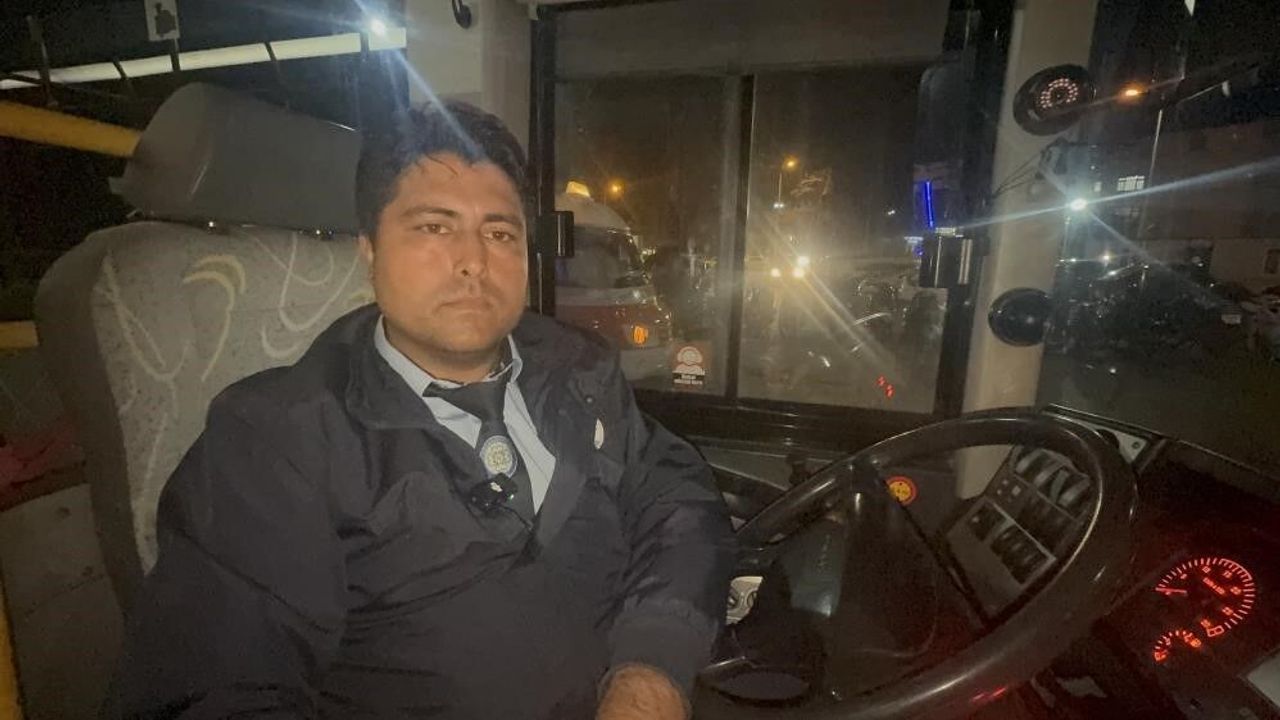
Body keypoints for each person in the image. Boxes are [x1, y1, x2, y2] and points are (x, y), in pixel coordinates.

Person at [104, 101, 736, 719]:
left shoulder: (578, 372)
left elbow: (676, 498)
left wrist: (653, 671)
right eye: (434, 227)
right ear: (370, 251)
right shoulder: (275, 442)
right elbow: (215, 690)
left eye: (499, 233)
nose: (473, 261)